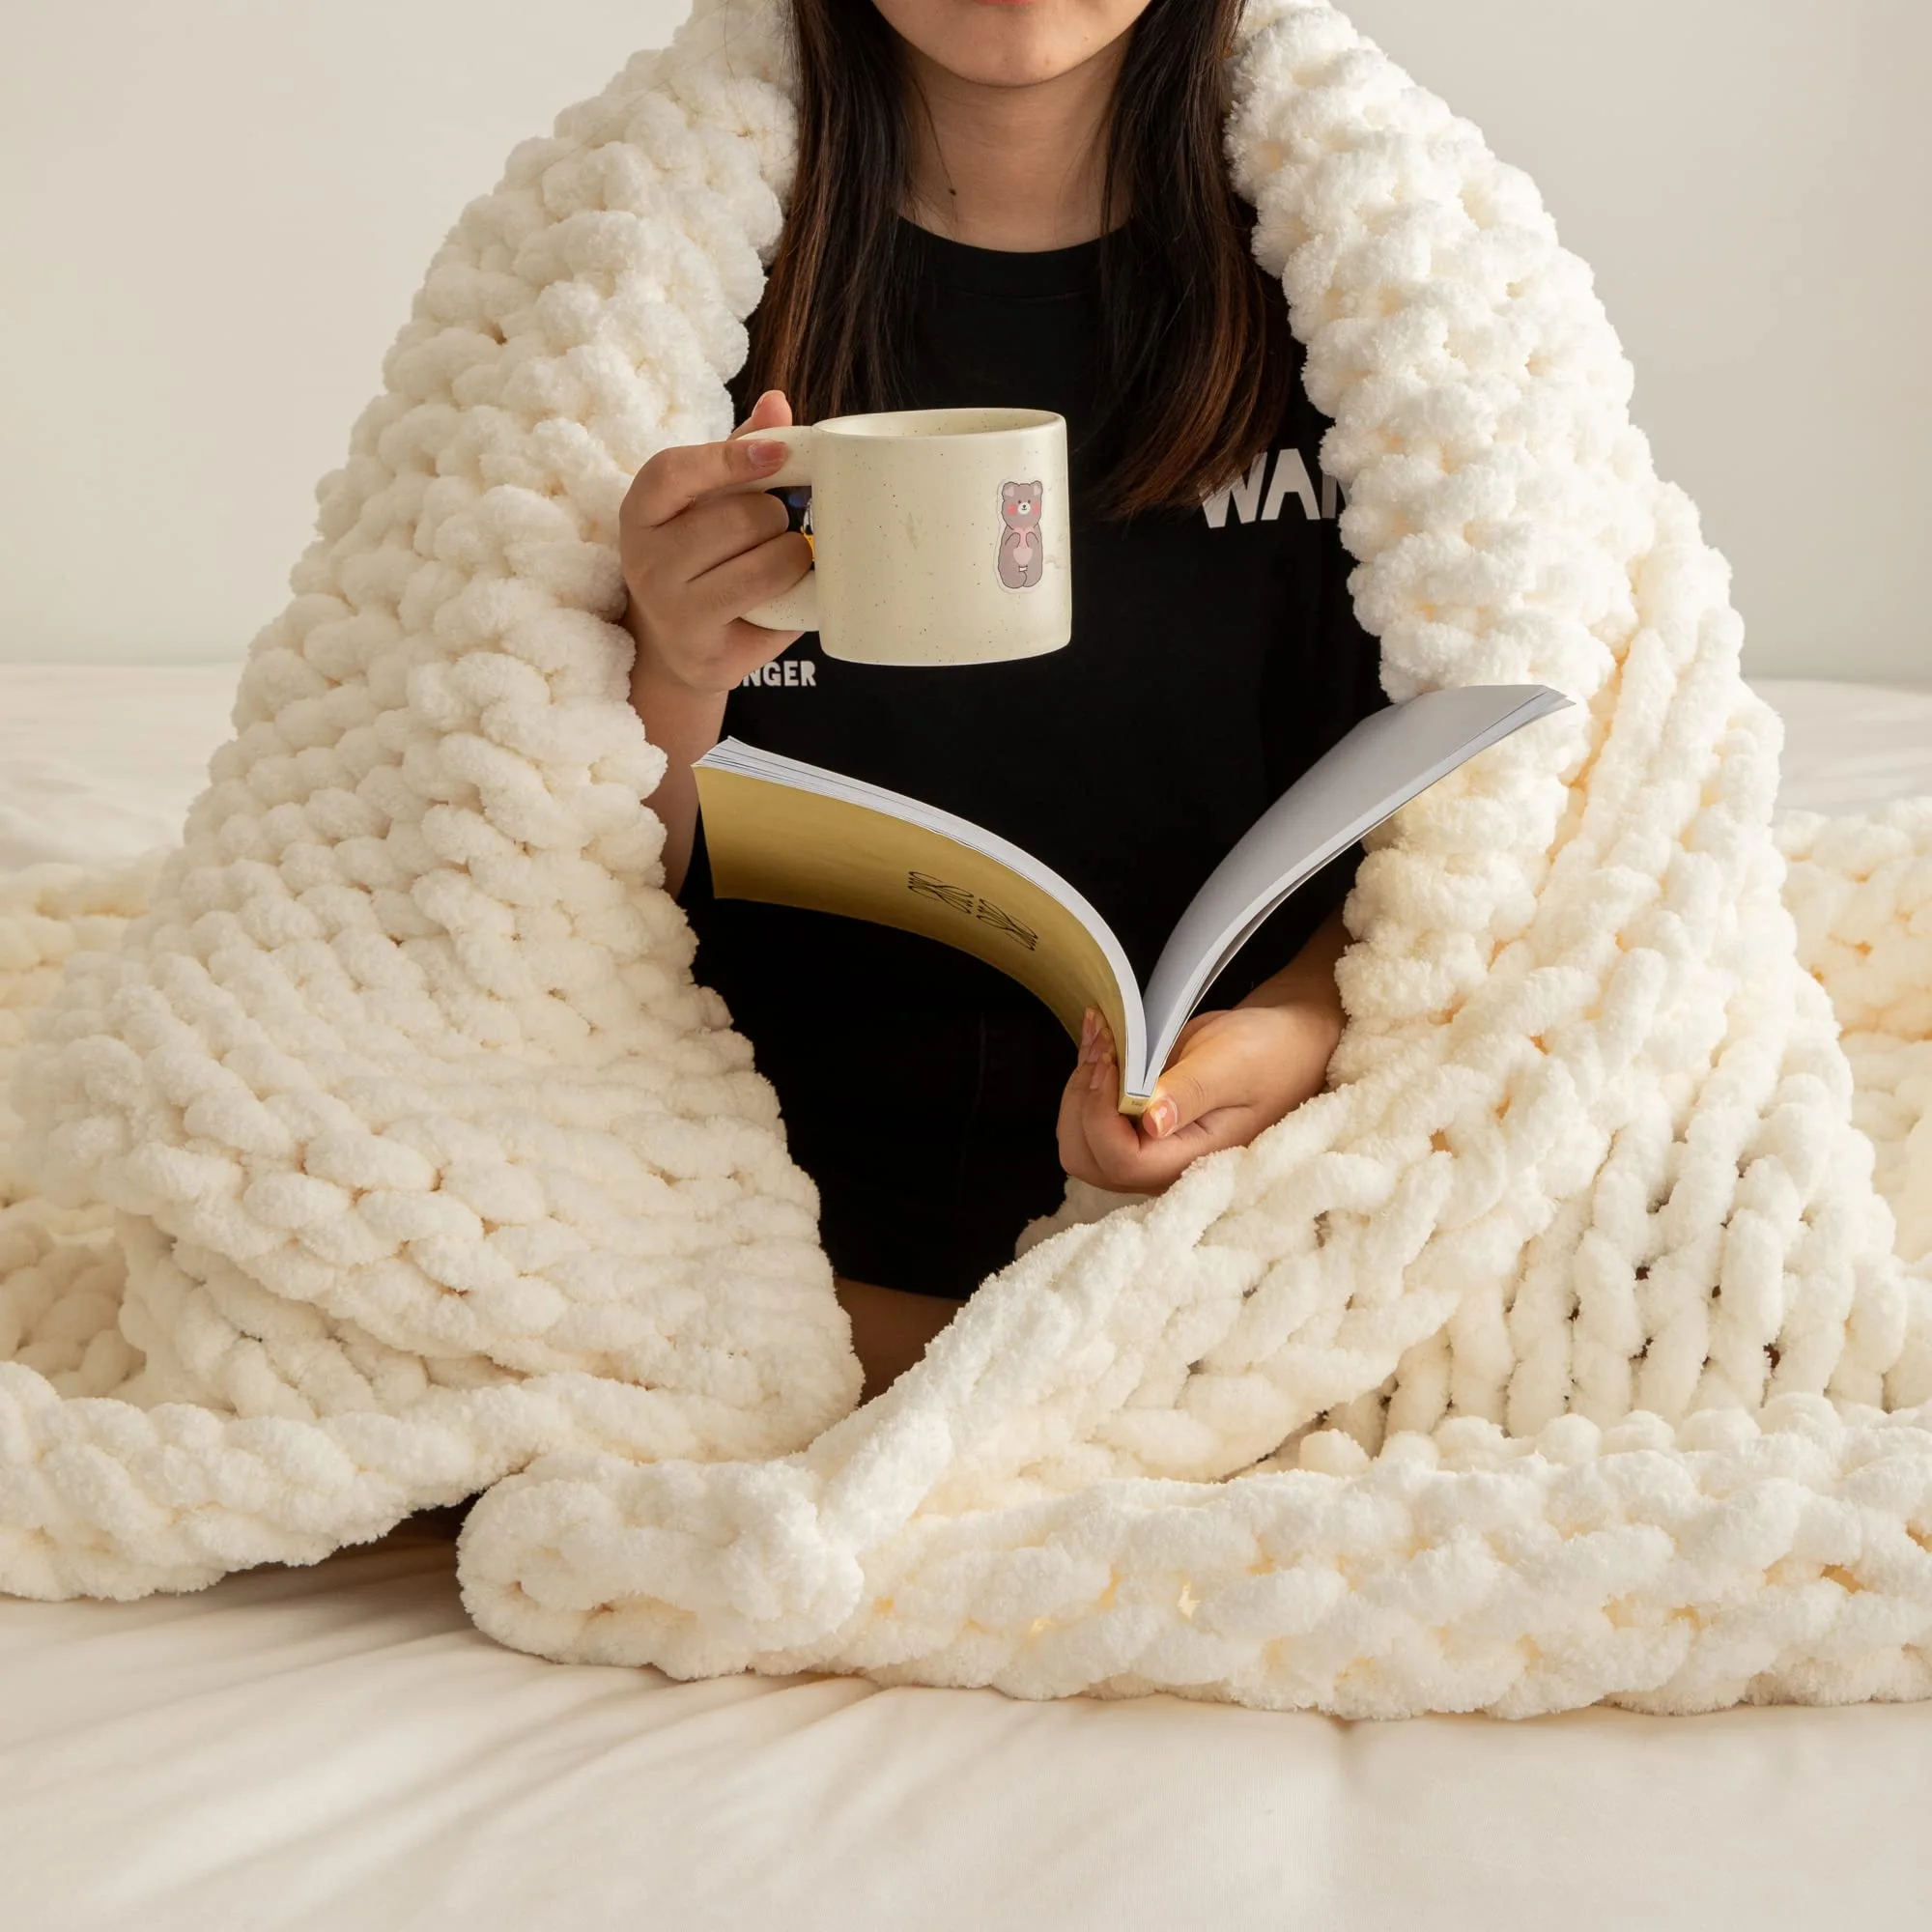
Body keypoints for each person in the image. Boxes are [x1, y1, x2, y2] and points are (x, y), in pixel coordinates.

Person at [620, 0, 1387, 1399]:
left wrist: (1305, 1027)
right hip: (732, 1228)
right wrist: (669, 672)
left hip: (1268, 1213)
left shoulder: (1389, 300)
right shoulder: (635, 292)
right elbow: (504, 901)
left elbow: (1508, 831)